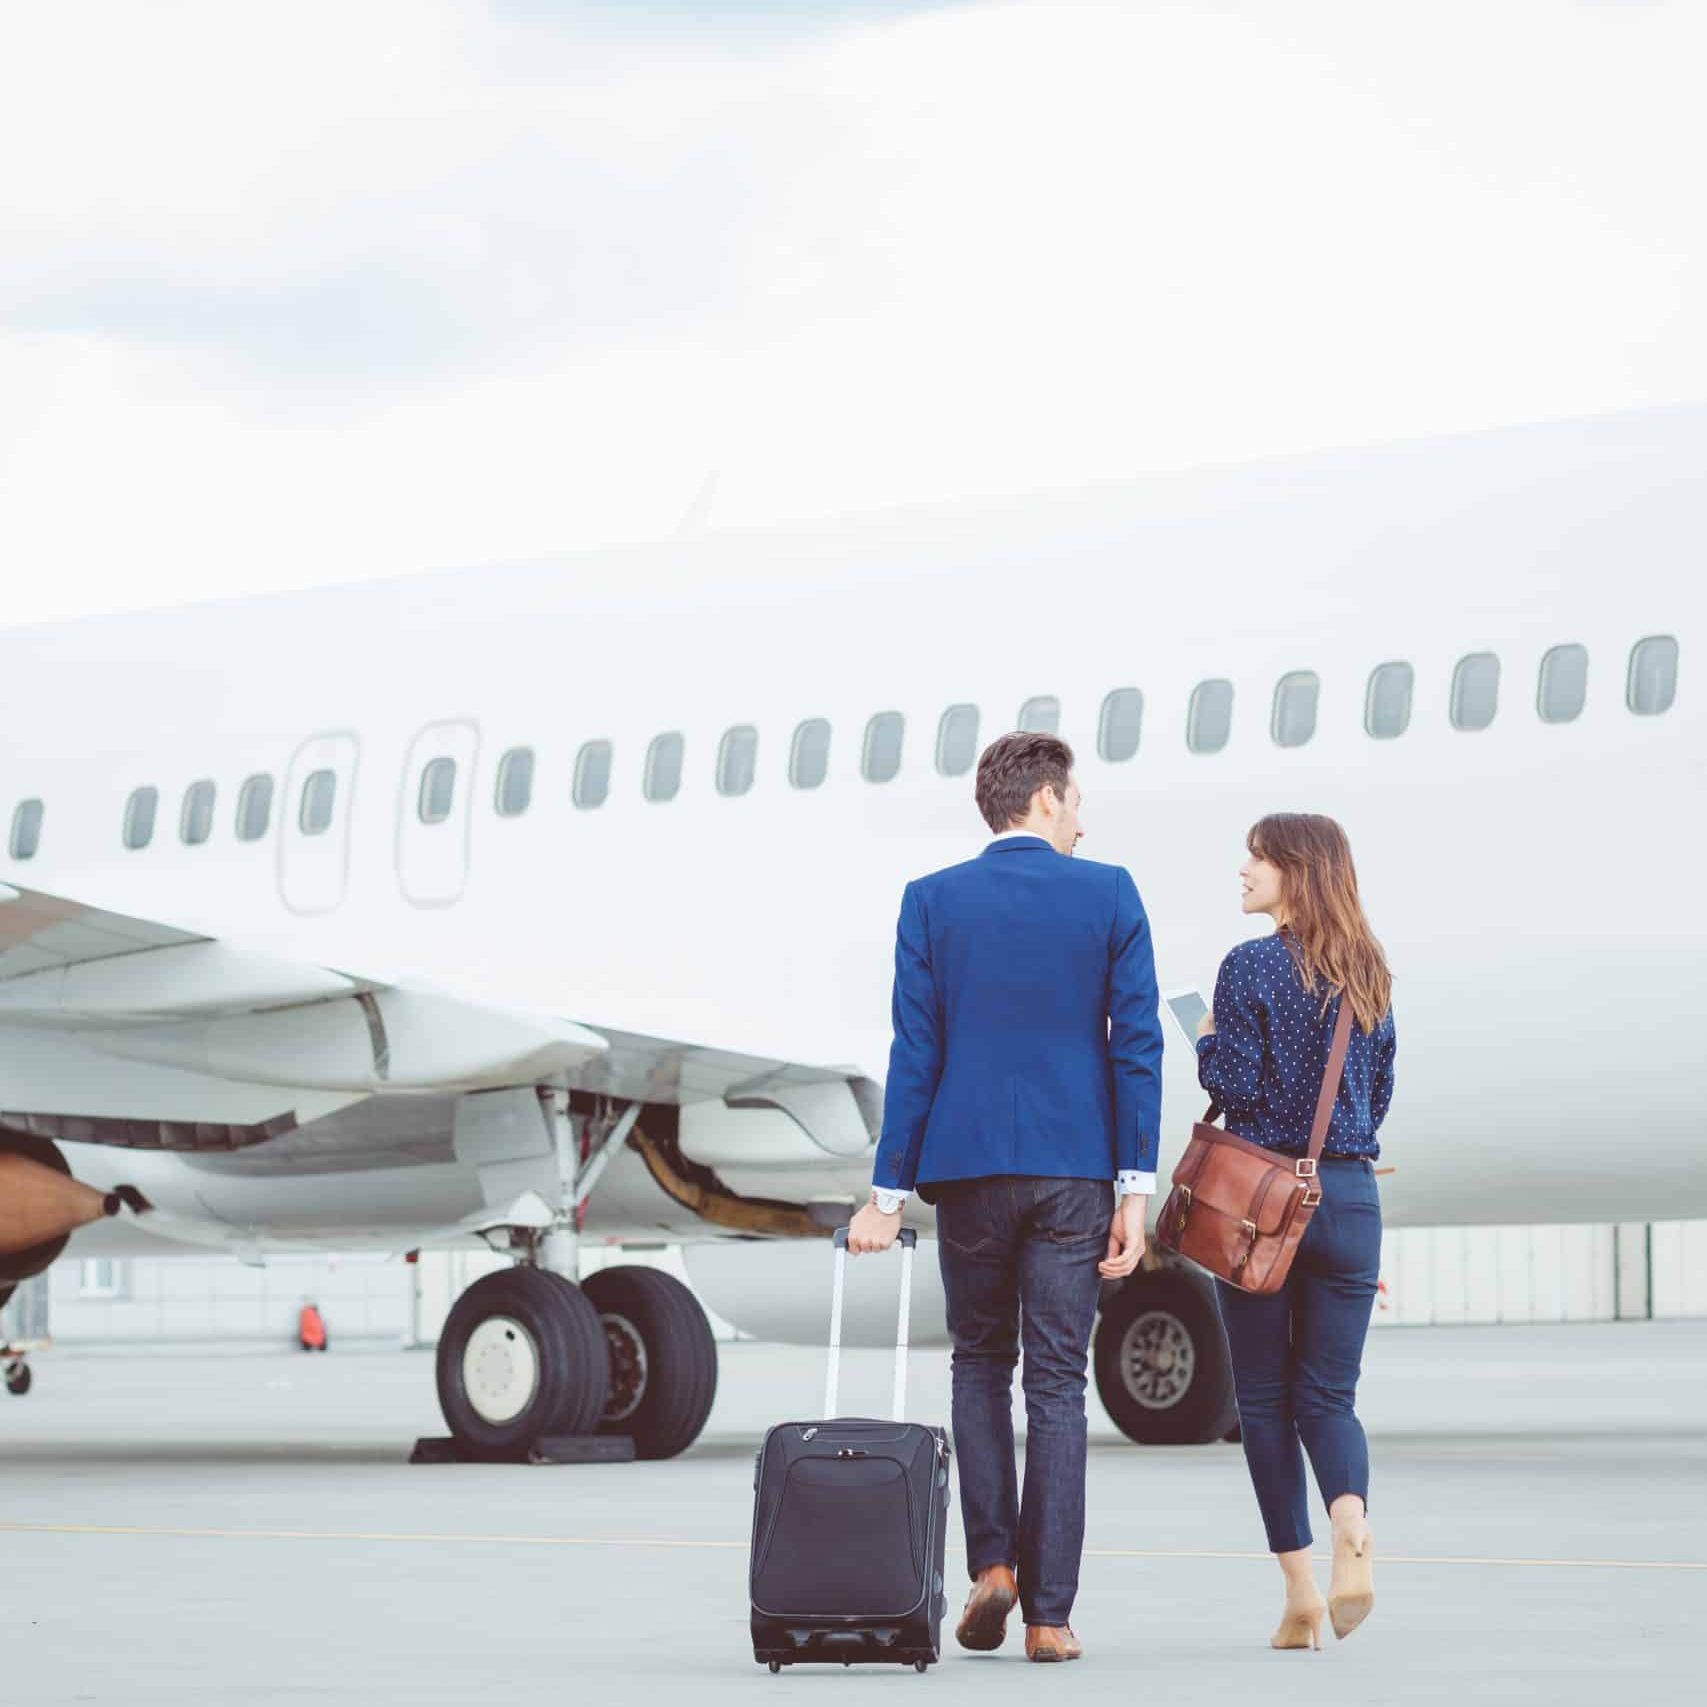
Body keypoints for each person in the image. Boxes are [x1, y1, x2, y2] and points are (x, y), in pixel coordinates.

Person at [845, 732, 1164, 1663]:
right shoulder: (1109, 892)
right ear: (1047, 801)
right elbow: (1133, 1046)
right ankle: (1050, 1615)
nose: (1081, 818)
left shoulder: (931, 901)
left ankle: (991, 1563)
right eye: (1075, 802)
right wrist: (1133, 1193)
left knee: (979, 1365)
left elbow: (917, 1053)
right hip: (1073, 1169)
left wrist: (885, 1195)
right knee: (1057, 1382)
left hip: (969, 1165)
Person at [1195, 813, 1396, 1650]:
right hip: (1347, 1196)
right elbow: (1377, 1096)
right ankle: (1351, 1524)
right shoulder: (1369, 971)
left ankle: (1300, 1592)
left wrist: (1205, 1040)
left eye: (1258, 856)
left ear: (1295, 871)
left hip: (1261, 1201)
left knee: (1265, 1400)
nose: (1243, 868)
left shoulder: (1246, 966)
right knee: (1330, 1395)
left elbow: (1234, 1086)